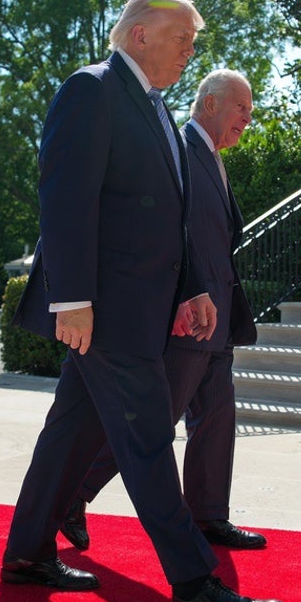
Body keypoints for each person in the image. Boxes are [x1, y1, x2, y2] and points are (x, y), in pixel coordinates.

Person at [1, 0, 286, 602]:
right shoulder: (91, 90)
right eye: (183, 37)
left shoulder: (155, 107)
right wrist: (71, 299)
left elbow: (172, 216)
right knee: (151, 439)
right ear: (139, 37)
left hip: (136, 308)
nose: (191, 50)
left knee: (71, 431)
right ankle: (194, 587)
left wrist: (189, 289)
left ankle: (26, 552)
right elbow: (65, 199)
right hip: (103, 309)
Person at [60, 70, 265, 553]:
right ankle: (69, 496)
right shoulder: (180, 149)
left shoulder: (212, 157)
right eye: (242, 108)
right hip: (187, 320)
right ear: (211, 104)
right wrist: (181, 297)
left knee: (216, 418)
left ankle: (210, 515)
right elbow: (170, 233)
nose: (247, 119)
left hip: (218, 320)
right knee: (150, 426)